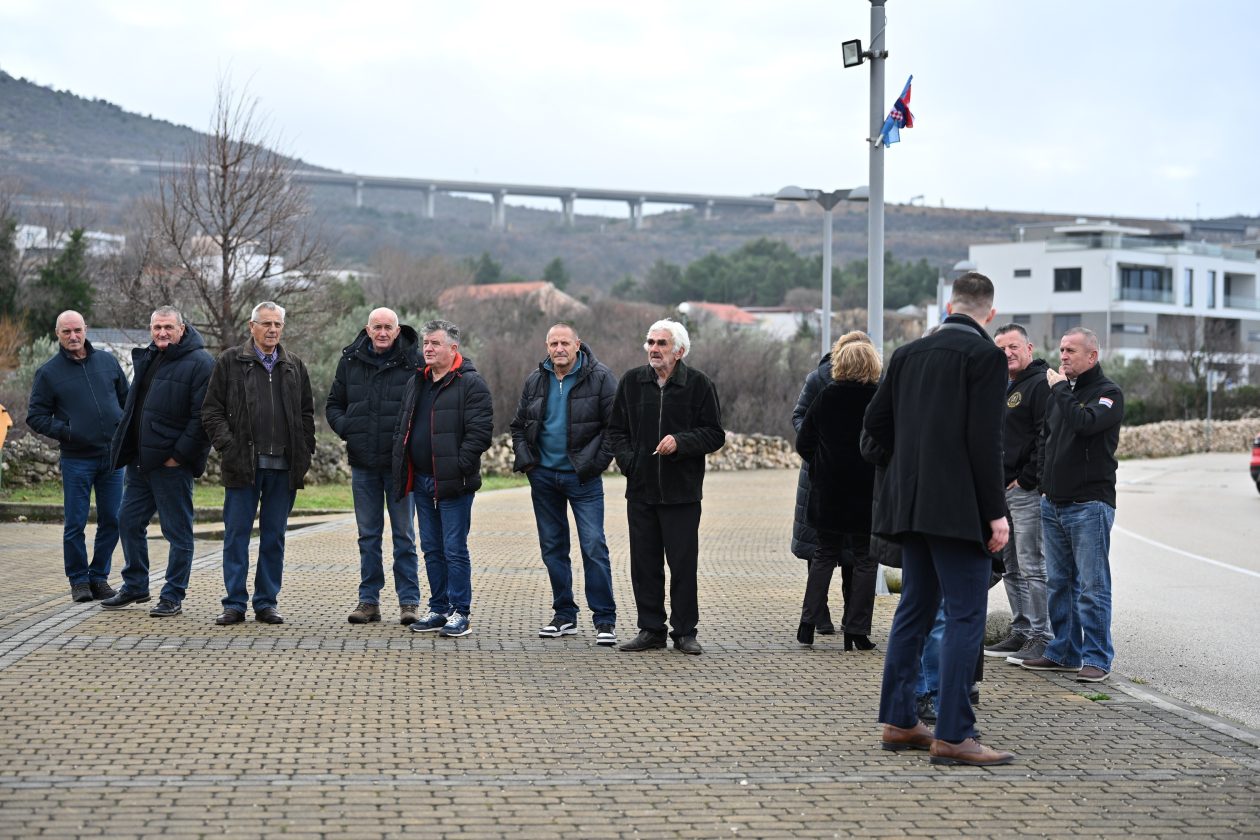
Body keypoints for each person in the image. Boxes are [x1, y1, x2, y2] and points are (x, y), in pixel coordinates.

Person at [864, 271, 1016, 767]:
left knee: (914, 610)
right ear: (988, 314)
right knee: (965, 615)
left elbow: (876, 427)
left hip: (910, 506)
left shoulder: (907, 354)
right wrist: (995, 513)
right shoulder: (986, 357)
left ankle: (899, 720)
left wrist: (910, 467)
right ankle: (953, 734)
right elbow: (984, 441)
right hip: (959, 511)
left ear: (949, 305)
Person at [606, 319, 724, 655]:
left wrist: (682, 442)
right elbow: (615, 432)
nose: (654, 349)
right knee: (645, 565)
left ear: (679, 351)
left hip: (682, 493)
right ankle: (650, 630)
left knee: (683, 565)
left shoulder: (698, 384)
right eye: (651, 342)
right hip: (641, 491)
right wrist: (632, 463)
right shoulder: (632, 382)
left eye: (661, 344)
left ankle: (685, 631)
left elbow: (715, 434)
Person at [201, 301, 316, 626]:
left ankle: (266, 603)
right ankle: (234, 604)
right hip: (242, 466)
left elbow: (306, 414)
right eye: (266, 324)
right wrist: (229, 445)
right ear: (251, 327)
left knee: (274, 537)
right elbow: (211, 411)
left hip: (283, 468)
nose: (272, 330)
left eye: (277, 324)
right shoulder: (230, 362)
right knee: (236, 536)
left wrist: (305, 450)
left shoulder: (294, 365)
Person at [1021, 326, 1123, 683]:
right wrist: (1043, 487)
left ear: (1091, 356)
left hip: (1089, 506)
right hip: (1054, 504)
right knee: (1059, 583)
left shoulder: (1108, 393)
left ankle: (1097, 658)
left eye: (1071, 351)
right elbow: (1046, 440)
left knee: (1091, 587)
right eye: (1061, 350)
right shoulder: (1060, 394)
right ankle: (1064, 650)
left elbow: (1084, 424)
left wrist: (1061, 389)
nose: (1063, 356)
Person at [101, 307, 215, 616]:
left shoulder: (201, 363)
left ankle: (173, 595)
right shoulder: (150, 356)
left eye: (167, 327)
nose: (161, 333)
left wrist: (178, 457)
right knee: (127, 521)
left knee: (177, 532)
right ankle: (135, 585)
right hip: (139, 462)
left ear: (181, 329)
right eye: (156, 327)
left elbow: (203, 418)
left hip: (170, 466)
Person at [510, 323, 619, 645]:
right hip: (543, 477)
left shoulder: (601, 377)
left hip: (582, 478)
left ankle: (604, 620)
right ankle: (564, 615)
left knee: (593, 546)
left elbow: (615, 428)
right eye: (554, 343)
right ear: (547, 346)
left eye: (565, 343)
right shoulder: (535, 379)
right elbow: (518, 425)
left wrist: (594, 465)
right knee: (553, 548)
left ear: (577, 345)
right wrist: (528, 462)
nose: (559, 349)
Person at [391, 319, 493, 638]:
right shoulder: (418, 381)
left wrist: (457, 467)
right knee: (431, 548)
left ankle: (459, 612)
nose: (429, 349)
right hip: (421, 481)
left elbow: (480, 434)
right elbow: (404, 425)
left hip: (453, 484)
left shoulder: (471, 384)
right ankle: (438, 608)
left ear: (453, 348)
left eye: (435, 344)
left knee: (453, 549)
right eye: (425, 344)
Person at [326, 307, 423, 626]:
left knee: (404, 536)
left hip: (400, 466)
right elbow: (333, 405)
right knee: (368, 536)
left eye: (388, 327)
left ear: (397, 331)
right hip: (364, 463)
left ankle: (409, 602)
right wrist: (348, 429)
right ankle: (369, 601)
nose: (382, 332)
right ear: (367, 330)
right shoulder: (350, 361)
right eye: (377, 327)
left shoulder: (414, 362)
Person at [26, 310, 128, 603]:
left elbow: (127, 398)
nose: (73, 336)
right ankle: (79, 581)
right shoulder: (49, 373)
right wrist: (68, 431)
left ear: (86, 330)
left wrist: (121, 426)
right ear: (57, 334)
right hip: (76, 460)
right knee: (75, 523)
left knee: (113, 520)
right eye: (66, 332)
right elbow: (36, 416)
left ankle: (99, 577)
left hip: (112, 458)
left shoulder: (107, 361)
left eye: (77, 330)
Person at [794, 331, 881, 651]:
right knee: (866, 559)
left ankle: (807, 625)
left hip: (828, 490)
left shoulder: (826, 396)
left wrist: (821, 466)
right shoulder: (879, 399)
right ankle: (856, 631)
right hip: (866, 492)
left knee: (823, 555)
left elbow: (803, 442)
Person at [985, 323, 1053, 664]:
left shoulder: (1040, 384)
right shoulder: (1002, 385)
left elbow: (1046, 435)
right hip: (1002, 490)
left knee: (1032, 565)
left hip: (1024, 492)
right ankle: (1022, 629)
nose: (1007, 353)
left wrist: (1028, 479)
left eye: (1013, 346)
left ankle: (1043, 636)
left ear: (1029, 347)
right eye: (1001, 349)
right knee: (1010, 565)